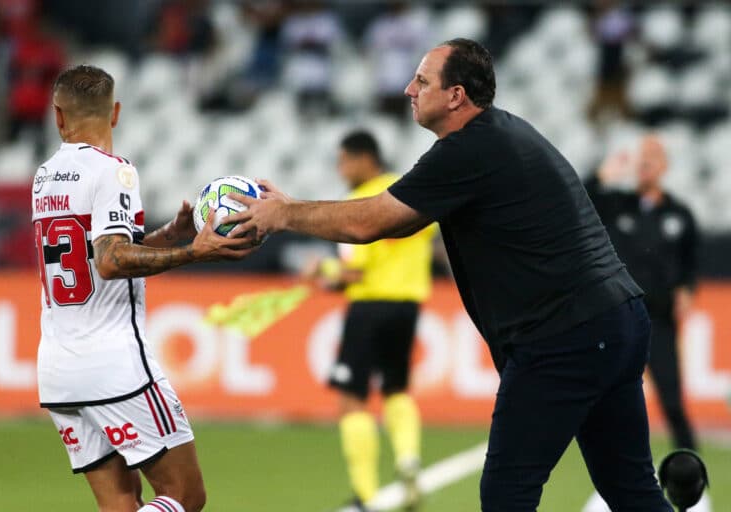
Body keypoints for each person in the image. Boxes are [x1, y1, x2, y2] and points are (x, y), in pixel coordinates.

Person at [224, 38, 673, 511]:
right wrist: (290, 207)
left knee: (506, 494)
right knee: (632, 492)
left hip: (565, 333)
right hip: (616, 319)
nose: (408, 89)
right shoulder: (500, 134)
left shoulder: (469, 149)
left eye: (422, 81)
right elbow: (393, 221)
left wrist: (284, 214)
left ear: (456, 95)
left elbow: (370, 222)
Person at [31, 65, 257, 512]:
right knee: (185, 495)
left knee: (120, 503)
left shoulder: (45, 176)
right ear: (115, 113)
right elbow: (111, 261)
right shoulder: (114, 172)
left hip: (59, 370)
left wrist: (165, 237)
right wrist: (193, 251)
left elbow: (94, 257)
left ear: (57, 115)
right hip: (113, 366)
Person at [303, 130, 435, 511]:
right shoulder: (410, 191)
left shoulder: (360, 202)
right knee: (396, 388)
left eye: (344, 161)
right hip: (407, 305)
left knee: (352, 400)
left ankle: (366, 496)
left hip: (369, 306)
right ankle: (408, 458)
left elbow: (353, 271)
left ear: (365, 159)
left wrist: (322, 270)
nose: (341, 170)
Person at [582, 136, 710, 512]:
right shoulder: (616, 204)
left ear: (664, 166)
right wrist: (601, 177)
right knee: (607, 402)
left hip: (660, 321)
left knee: (672, 401)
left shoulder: (679, 214)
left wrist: (687, 290)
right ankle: (611, 481)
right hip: (618, 318)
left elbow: (691, 263)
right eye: (640, 157)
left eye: (652, 158)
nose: (644, 164)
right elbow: (578, 203)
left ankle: (692, 481)